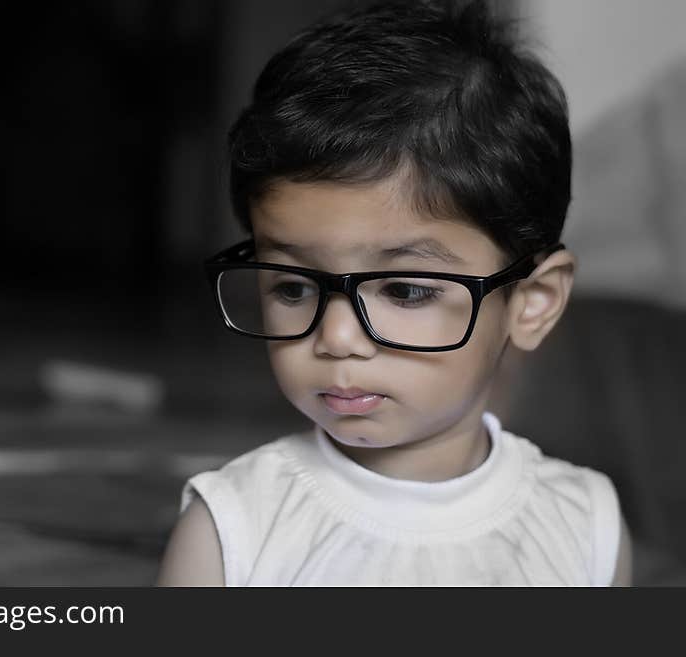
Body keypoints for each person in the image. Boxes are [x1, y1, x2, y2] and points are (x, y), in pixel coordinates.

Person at [156, 0, 632, 586]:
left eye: (405, 291)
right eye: (294, 285)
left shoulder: (585, 526)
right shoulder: (231, 528)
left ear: (533, 302)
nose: (336, 338)